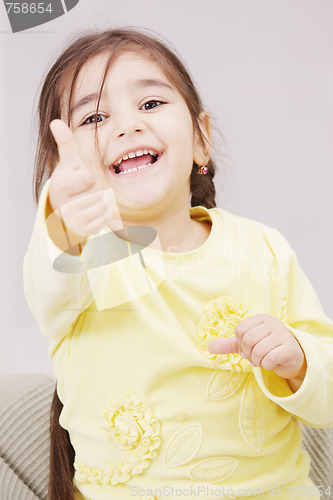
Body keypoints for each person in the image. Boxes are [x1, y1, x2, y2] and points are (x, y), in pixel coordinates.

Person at [23, 27, 333, 500]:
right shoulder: (86, 258)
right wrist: (63, 225)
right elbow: (49, 286)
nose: (127, 126)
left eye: (150, 104)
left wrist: (297, 360)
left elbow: (326, 396)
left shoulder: (262, 249)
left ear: (201, 140)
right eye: (94, 117)